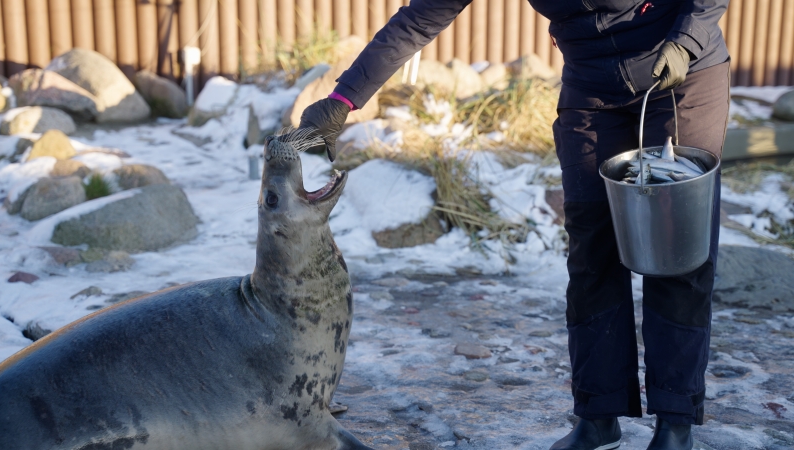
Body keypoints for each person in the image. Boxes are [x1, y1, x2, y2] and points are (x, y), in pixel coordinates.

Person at [293, 1, 730, 449]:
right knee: (591, 248)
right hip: (592, 87)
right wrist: (342, 101)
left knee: (677, 248)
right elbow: (419, 18)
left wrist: (688, 39)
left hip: (680, 75)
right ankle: (599, 416)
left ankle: (675, 421)